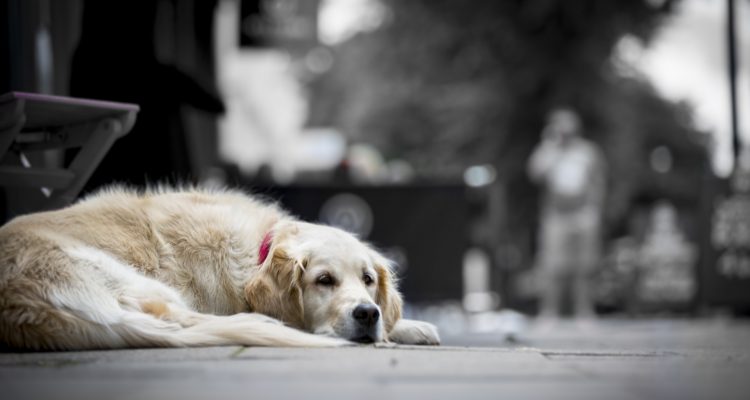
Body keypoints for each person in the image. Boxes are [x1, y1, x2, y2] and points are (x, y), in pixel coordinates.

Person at [528, 107, 607, 323]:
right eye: (560, 123)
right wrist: (549, 146)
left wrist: (595, 210)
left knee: (585, 266)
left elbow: (599, 181)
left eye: (568, 123)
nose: (564, 128)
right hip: (555, 215)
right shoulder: (548, 150)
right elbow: (535, 174)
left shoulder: (588, 151)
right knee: (552, 266)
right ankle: (549, 313)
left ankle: (584, 313)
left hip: (584, 213)